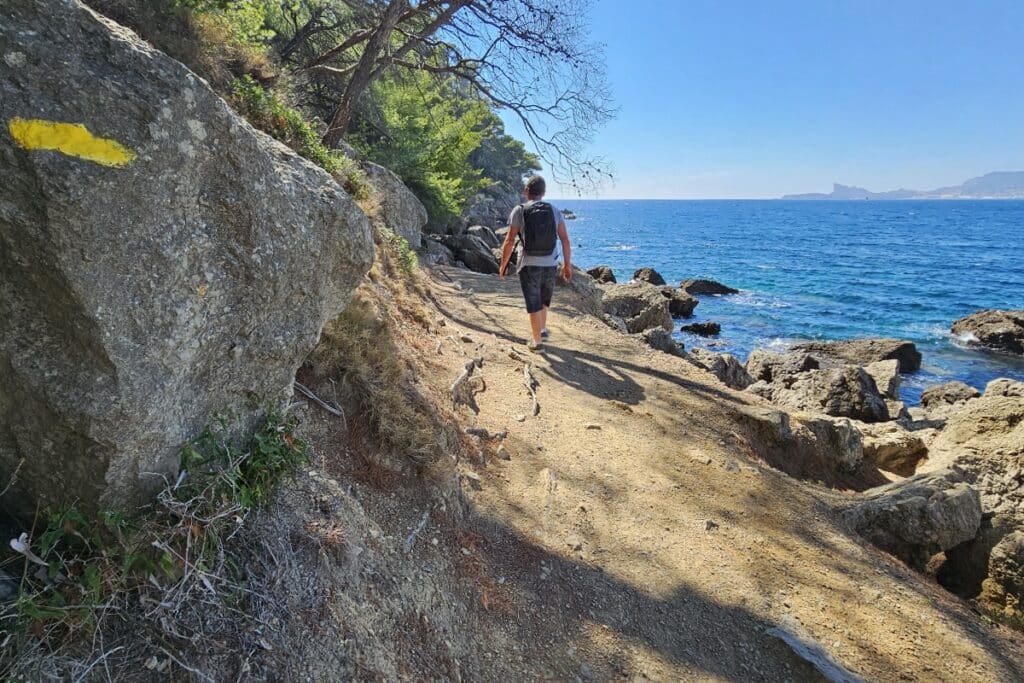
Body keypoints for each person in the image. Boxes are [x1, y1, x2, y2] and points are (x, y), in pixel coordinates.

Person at [499, 175, 572, 351]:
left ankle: (537, 341)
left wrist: (503, 264)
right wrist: (567, 265)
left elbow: (509, 241)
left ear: (526, 191)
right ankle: (542, 329)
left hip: (528, 262)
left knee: (533, 301)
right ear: (544, 192)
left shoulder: (519, 210)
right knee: (544, 297)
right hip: (550, 262)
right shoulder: (554, 210)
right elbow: (564, 239)